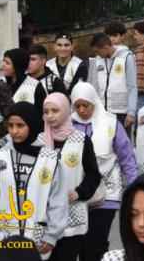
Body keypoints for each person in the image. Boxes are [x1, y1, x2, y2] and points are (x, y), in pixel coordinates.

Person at [0, 103, 67, 259]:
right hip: (5, 238)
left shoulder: (50, 159)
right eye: (10, 126)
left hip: (38, 240)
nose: (14, 131)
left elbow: (58, 200)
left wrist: (51, 236)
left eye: (20, 125)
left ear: (32, 124)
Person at [71, 82, 138, 261]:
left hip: (107, 195)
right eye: (77, 106)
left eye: (86, 105)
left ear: (94, 102)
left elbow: (127, 158)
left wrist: (134, 188)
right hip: (77, 195)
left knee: (96, 242)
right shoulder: (68, 124)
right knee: (80, 243)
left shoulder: (111, 123)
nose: (82, 110)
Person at [35, 93, 101, 261]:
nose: (50, 116)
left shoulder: (81, 140)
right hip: (43, 219)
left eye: (55, 110)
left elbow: (93, 175)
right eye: (46, 111)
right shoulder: (38, 141)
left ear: (65, 111)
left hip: (72, 218)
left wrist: (79, 193)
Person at [88, 33, 138, 129]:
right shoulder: (96, 60)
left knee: (123, 142)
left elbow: (132, 86)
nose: (96, 54)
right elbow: (92, 86)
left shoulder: (127, 57)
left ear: (106, 47)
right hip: (102, 111)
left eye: (97, 51)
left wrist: (131, 112)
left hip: (121, 112)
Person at [3, 47, 48, 116]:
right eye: (3, 61)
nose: (3, 65)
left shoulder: (35, 86)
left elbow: (41, 113)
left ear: (17, 65)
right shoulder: (1, 83)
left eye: (7, 63)